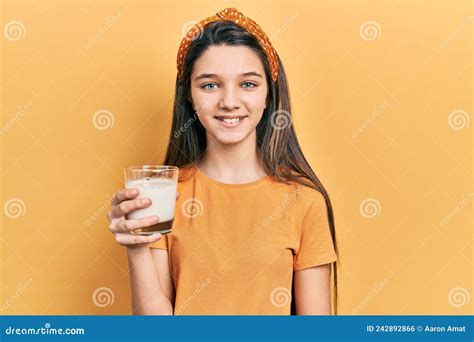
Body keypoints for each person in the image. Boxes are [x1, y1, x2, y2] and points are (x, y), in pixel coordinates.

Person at [107, 7, 338, 315]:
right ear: (189, 95)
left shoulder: (304, 201)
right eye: (210, 85)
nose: (229, 102)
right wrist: (137, 249)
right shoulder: (163, 196)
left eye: (248, 84)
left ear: (269, 94)